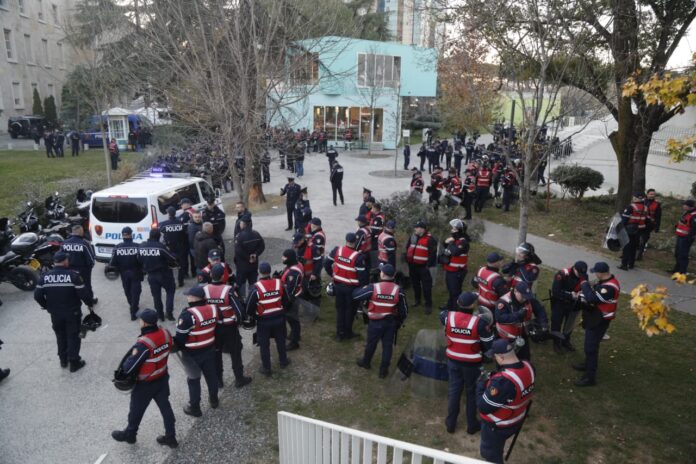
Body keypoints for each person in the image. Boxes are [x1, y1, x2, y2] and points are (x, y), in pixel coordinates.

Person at [111, 309, 178, 448]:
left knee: (136, 410)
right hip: (162, 378)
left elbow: (129, 367)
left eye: (140, 319)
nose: (139, 321)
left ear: (145, 323)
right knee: (166, 408)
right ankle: (171, 437)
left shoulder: (144, 343)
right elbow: (171, 347)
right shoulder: (165, 333)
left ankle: (130, 435)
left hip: (145, 384)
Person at [441, 292, 494, 434]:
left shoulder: (447, 317)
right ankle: (471, 425)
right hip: (472, 364)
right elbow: (489, 345)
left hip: (453, 360)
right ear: (473, 305)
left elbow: (443, 317)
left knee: (454, 391)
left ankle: (450, 423)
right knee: (471, 393)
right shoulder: (479, 323)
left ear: (458, 303)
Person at [476, 339, 535, 463]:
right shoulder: (529, 366)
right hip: (517, 418)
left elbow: (483, 407)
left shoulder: (502, 382)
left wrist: (481, 384)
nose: (494, 359)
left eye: (495, 357)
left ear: (501, 357)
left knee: (490, 454)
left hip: (498, 426)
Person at [34, 251, 90, 372]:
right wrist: (89, 303)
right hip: (72, 313)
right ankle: (74, 362)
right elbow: (84, 295)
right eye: (67, 260)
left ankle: (63, 360)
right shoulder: (73, 276)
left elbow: (37, 296)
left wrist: (47, 306)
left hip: (55, 314)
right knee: (73, 336)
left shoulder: (44, 277)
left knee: (60, 336)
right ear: (65, 261)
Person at [353, 264, 408, 378]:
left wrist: (363, 288)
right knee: (387, 346)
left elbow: (356, 296)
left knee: (371, 343)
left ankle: (366, 362)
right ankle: (383, 370)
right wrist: (399, 321)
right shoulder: (399, 290)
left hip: (375, 323)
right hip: (390, 323)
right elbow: (404, 311)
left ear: (382, 274)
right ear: (393, 275)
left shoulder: (373, 287)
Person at [203, 264, 251, 389]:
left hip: (214, 327)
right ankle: (239, 379)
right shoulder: (228, 290)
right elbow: (239, 310)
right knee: (235, 353)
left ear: (211, 275)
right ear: (222, 276)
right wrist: (239, 322)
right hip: (229, 327)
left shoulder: (205, 289)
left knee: (216, 354)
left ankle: (219, 381)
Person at [174, 287, 220, 416]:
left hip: (192, 354)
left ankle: (195, 407)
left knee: (193, 380)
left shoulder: (187, 315)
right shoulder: (214, 309)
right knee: (212, 376)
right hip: (209, 349)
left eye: (188, 295)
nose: (187, 297)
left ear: (193, 298)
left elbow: (180, 338)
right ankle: (214, 400)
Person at [574, 262, 620, 386]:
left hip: (600, 320)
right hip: (595, 317)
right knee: (589, 345)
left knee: (591, 347)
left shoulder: (609, 288)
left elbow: (591, 298)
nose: (595, 275)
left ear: (601, 273)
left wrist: (584, 282)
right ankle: (587, 364)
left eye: (596, 272)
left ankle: (590, 377)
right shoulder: (605, 282)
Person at [245, 262, 290, 376]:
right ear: (270, 271)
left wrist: (256, 316)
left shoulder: (256, 288)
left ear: (259, 272)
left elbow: (248, 307)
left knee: (264, 345)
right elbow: (287, 300)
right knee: (281, 340)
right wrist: (281, 311)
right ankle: (283, 361)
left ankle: (266, 368)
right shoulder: (279, 283)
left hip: (263, 321)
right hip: (279, 318)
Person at [324, 233, 368, 340]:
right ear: (355, 242)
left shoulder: (337, 250)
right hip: (351, 289)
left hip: (338, 286)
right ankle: (347, 333)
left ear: (346, 240)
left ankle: (339, 333)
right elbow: (362, 278)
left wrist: (333, 274)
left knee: (340, 310)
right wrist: (363, 290)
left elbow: (326, 263)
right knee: (350, 311)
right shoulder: (358, 257)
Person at [495, 282, 545, 361]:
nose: (525, 299)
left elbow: (539, 309)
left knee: (525, 358)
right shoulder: (503, 302)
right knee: (506, 360)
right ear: (515, 291)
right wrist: (517, 315)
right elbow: (500, 318)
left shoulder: (527, 298)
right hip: (507, 336)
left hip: (523, 334)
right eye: (523, 296)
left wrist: (543, 323)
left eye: (526, 296)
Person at [139, 229, 178, 321]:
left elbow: (139, 259)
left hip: (151, 275)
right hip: (164, 274)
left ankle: (160, 315)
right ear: (159, 236)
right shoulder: (161, 247)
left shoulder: (142, 247)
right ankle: (169, 314)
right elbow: (172, 258)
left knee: (156, 296)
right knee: (170, 292)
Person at [549, 261, 587, 354]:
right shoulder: (562, 274)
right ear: (574, 268)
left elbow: (584, 287)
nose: (580, 275)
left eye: (582, 274)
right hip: (560, 303)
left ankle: (565, 340)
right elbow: (556, 292)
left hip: (573, 304)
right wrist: (570, 295)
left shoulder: (584, 276)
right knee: (556, 323)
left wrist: (582, 293)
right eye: (579, 273)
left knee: (569, 323)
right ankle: (556, 342)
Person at [109, 227, 143, 320]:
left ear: (123, 235)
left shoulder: (117, 247)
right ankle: (134, 310)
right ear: (131, 234)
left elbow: (112, 263)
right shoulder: (138, 246)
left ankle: (132, 305)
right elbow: (142, 260)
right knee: (136, 291)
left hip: (124, 273)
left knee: (127, 290)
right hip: (136, 272)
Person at [405, 221, 438, 314]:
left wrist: (428, 266)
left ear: (422, 229)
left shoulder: (430, 239)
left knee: (426, 286)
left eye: (417, 227)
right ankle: (417, 301)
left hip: (423, 267)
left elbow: (432, 254)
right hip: (412, 266)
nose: (415, 229)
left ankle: (428, 305)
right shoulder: (413, 237)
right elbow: (408, 248)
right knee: (415, 284)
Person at [61, 225, 97, 307]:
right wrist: (90, 267)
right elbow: (90, 259)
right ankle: (90, 302)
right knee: (87, 286)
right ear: (81, 232)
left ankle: (74, 303)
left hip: (69, 269)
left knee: (72, 286)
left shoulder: (65, 243)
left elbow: (61, 256)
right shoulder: (84, 243)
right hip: (83, 269)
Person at [234, 214, 265, 299]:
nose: (240, 225)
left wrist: (248, 257)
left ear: (244, 224)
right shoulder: (256, 234)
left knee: (241, 283)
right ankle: (252, 298)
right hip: (253, 265)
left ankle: (242, 299)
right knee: (252, 283)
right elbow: (262, 246)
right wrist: (255, 255)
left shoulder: (239, 236)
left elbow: (238, 251)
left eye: (241, 223)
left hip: (242, 266)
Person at [442, 219, 470, 310]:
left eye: (454, 229)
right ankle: (450, 305)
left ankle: (455, 308)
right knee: (451, 290)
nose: (452, 231)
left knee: (455, 291)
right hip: (450, 270)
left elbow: (455, 252)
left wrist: (450, 242)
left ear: (459, 230)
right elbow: (446, 246)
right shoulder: (455, 240)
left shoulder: (463, 241)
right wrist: (446, 242)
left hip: (457, 271)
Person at [280, 249, 304, 351]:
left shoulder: (293, 273)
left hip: (292, 299)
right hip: (293, 297)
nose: (282, 258)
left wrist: (287, 303)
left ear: (289, 258)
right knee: (293, 319)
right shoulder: (295, 265)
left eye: (284, 257)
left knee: (293, 320)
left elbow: (291, 290)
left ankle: (295, 342)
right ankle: (294, 335)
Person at [159, 206, 189, 287]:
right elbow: (185, 232)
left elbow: (161, 231)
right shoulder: (180, 223)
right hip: (180, 246)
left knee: (170, 265)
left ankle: (172, 282)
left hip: (170, 248)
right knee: (181, 265)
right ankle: (181, 281)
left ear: (168, 214)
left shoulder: (164, 224)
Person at [619, 193, 647, 270]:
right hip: (640, 229)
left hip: (630, 229)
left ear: (635, 198)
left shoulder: (631, 207)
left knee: (627, 246)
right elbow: (645, 219)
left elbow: (625, 219)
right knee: (634, 247)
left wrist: (621, 228)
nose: (633, 198)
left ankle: (624, 264)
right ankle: (631, 264)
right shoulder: (645, 208)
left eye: (634, 197)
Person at [672, 199, 696, 273]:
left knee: (683, 255)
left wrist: (689, 237)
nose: (683, 206)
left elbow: (694, 228)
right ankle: (676, 270)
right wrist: (677, 226)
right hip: (680, 236)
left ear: (690, 207)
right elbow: (683, 222)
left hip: (686, 238)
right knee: (677, 254)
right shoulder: (686, 212)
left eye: (685, 205)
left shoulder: (694, 215)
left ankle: (682, 272)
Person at [638, 188, 661, 260]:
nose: (652, 195)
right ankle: (630, 253)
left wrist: (657, 227)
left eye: (653, 194)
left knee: (643, 240)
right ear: (647, 194)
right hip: (639, 222)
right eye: (651, 194)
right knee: (635, 238)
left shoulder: (657, 204)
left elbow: (658, 217)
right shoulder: (642, 201)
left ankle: (639, 256)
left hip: (649, 225)